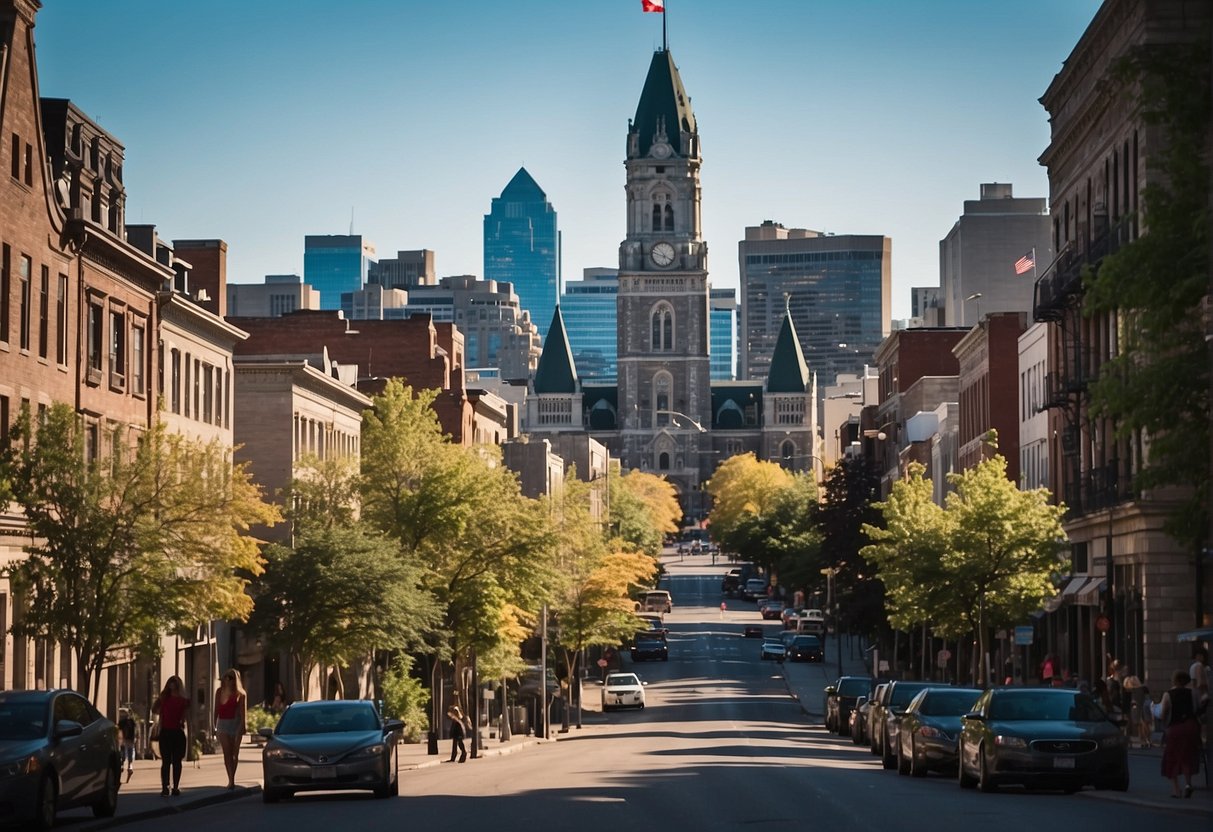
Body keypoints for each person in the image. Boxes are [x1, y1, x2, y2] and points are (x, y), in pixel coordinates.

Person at [1159, 669, 1200, 798]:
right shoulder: (1192, 693)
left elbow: (1164, 712)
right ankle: (1188, 784)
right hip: (1191, 726)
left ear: (1174, 680)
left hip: (1175, 728)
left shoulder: (1168, 694)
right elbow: (1197, 709)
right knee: (1187, 756)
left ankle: (1176, 790)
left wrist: (1164, 723)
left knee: (1171, 758)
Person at [152, 676, 190, 796]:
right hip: (165, 732)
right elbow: (154, 709)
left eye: (174, 684)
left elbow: (187, 717)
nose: (172, 687)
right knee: (166, 761)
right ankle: (165, 786)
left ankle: (176, 787)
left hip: (178, 732)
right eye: (170, 684)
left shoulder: (183, 701)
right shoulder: (164, 698)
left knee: (177, 761)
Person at [214, 668, 247, 789]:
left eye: (231, 677)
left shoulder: (240, 694)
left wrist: (243, 725)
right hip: (222, 723)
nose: (228, 679)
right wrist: (214, 724)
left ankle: (233, 777)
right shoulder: (219, 692)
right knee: (227, 753)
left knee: (234, 754)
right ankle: (230, 780)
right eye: (227, 677)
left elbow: (243, 712)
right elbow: (216, 709)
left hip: (235, 723)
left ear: (236, 680)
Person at [117, 708, 136, 782]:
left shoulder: (121, 722)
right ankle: (130, 767)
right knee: (130, 753)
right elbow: (134, 731)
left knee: (123, 753)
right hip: (130, 739)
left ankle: (121, 765)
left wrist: (119, 740)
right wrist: (134, 738)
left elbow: (119, 731)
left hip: (123, 739)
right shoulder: (131, 721)